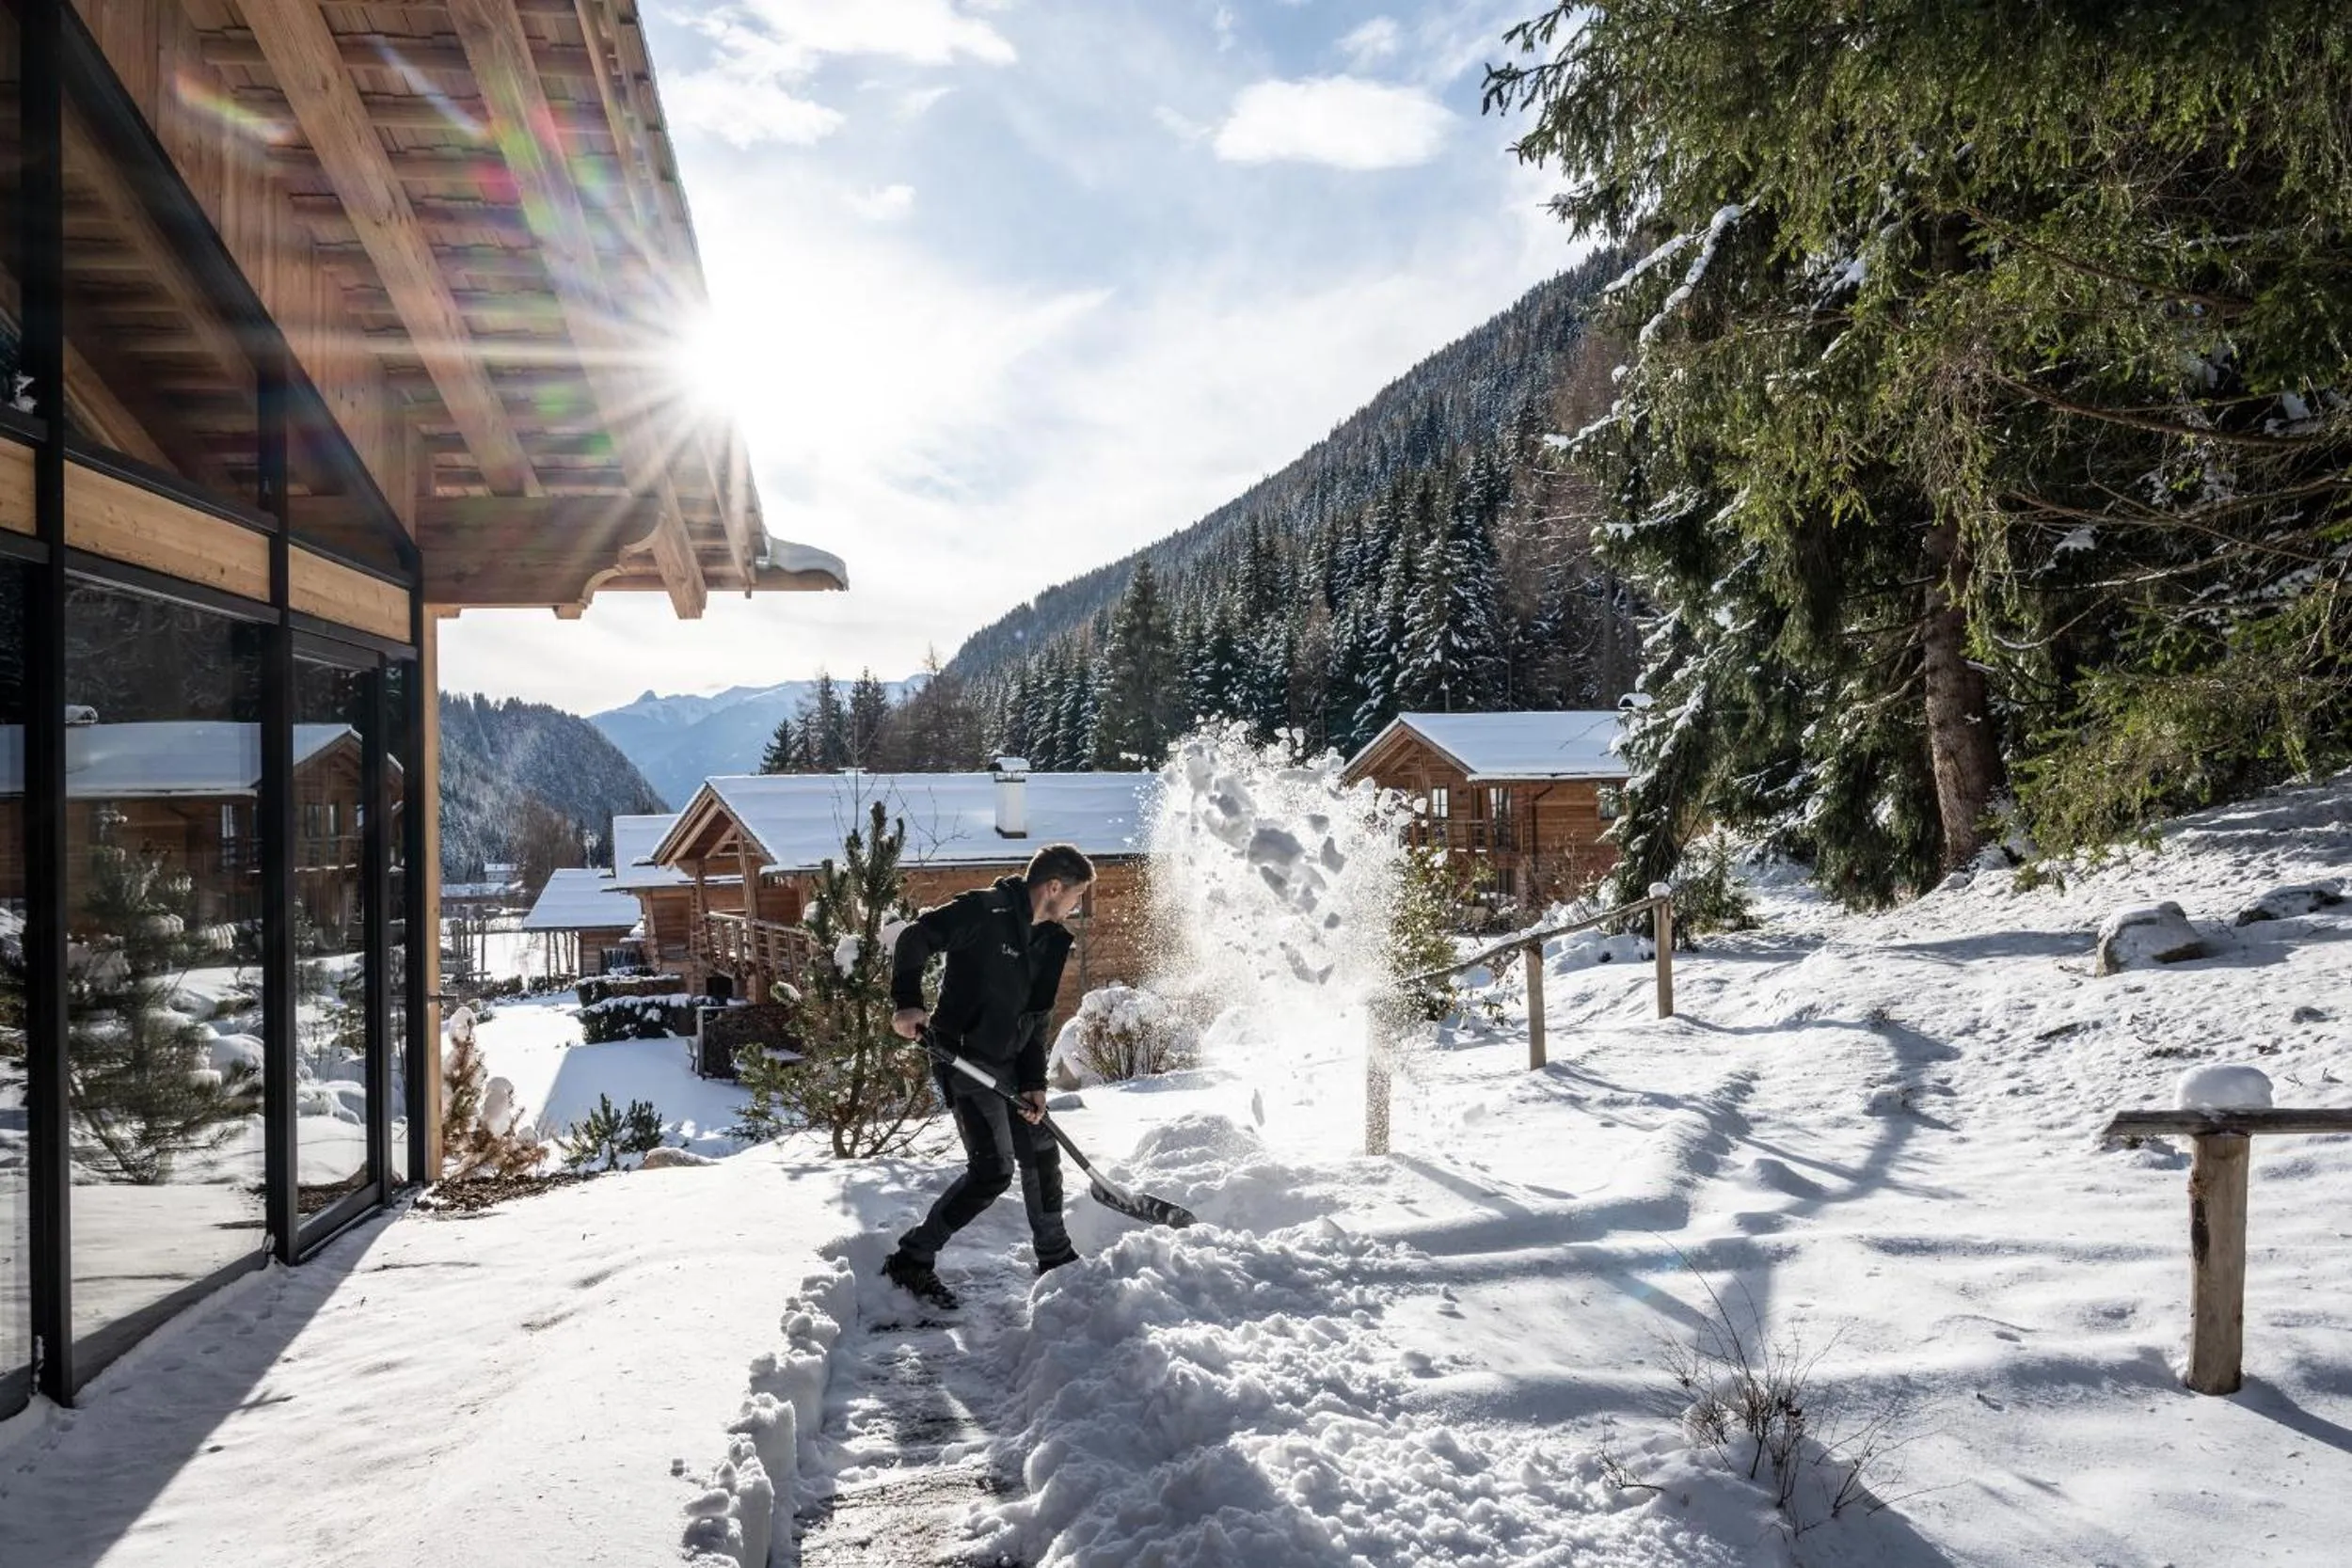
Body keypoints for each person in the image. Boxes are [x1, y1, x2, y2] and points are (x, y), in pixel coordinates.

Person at [879, 842, 1096, 1309]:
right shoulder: (984, 910)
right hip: (962, 1056)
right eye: (1076, 896)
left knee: (1040, 1150)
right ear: (1053, 887)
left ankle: (1055, 1259)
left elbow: (1037, 1018)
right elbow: (915, 938)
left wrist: (1035, 1082)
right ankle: (911, 1260)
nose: (1077, 907)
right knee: (993, 1170)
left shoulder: (1054, 940)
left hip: (1012, 1063)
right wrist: (907, 1003)